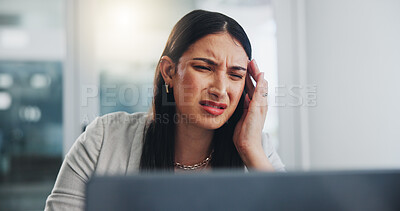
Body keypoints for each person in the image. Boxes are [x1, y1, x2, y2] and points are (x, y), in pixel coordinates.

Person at [45, 9, 285, 210]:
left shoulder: (256, 149)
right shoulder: (104, 138)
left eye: (235, 75)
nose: (220, 90)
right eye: (204, 68)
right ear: (169, 71)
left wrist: (249, 149)